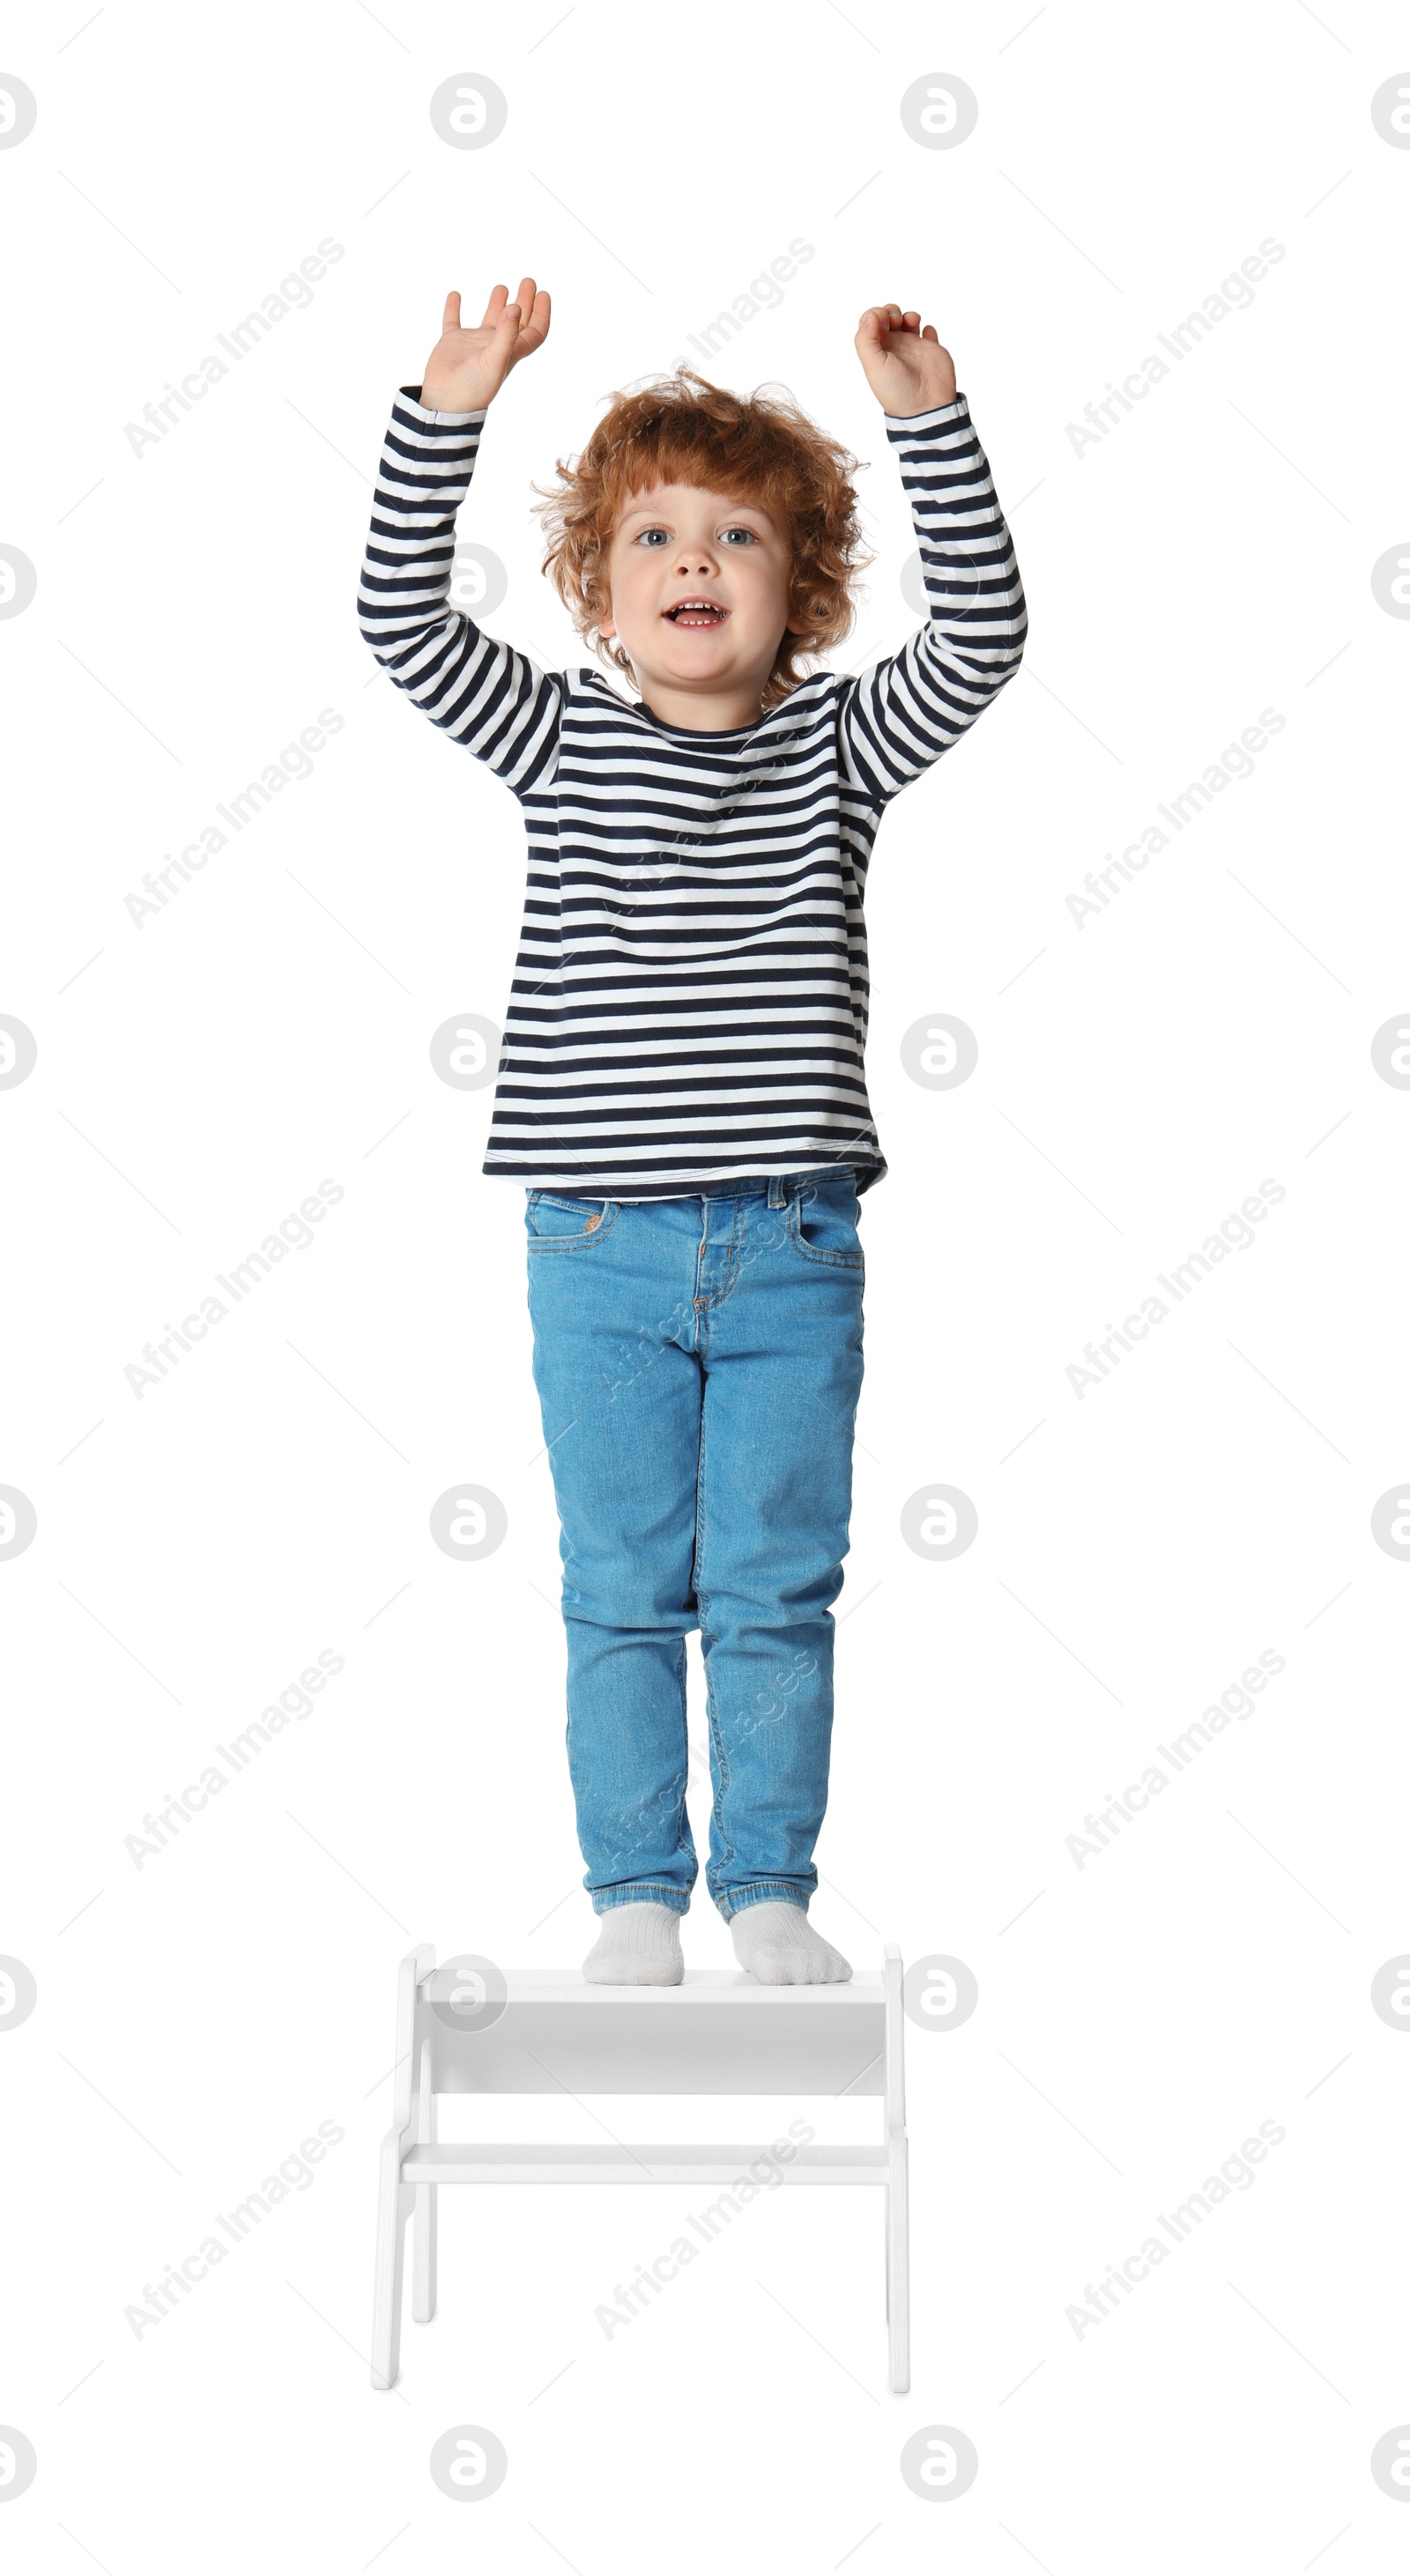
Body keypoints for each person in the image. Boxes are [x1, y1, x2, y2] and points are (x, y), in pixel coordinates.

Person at [358, 279, 1026, 1985]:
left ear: (795, 593)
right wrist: (449, 409)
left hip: (793, 1241)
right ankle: (634, 1895)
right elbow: (397, 625)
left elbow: (983, 643)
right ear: (598, 582)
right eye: (652, 533)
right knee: (619, 1585)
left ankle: (769, 1886)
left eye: (737, 536)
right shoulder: (559, 736)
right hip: (597, 1241)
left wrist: (923, 421)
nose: (693, 561)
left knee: (773, 1587)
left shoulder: (839, 747)